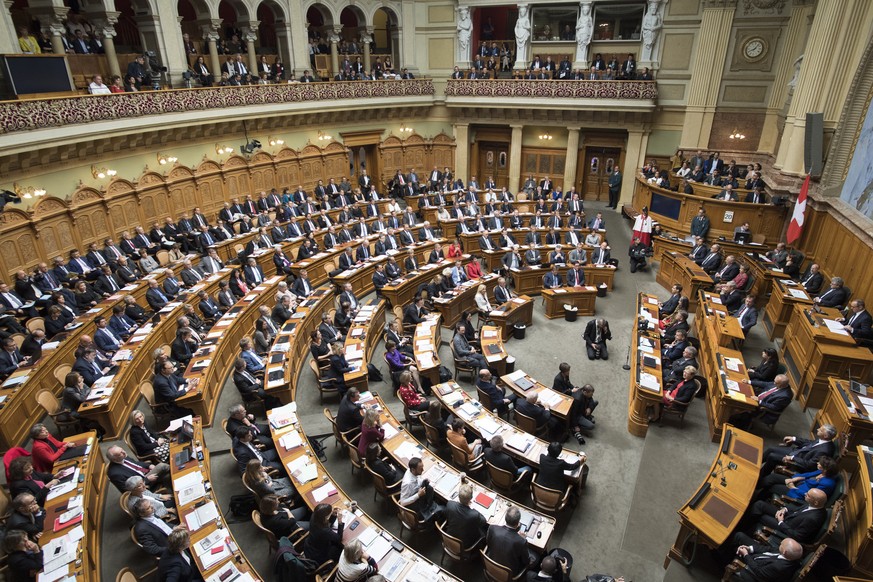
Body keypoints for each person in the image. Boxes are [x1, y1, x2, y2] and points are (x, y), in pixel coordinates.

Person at [758, 424, 838, 477]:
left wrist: (792, 458)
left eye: (820, 430)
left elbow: (809, 465)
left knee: (772, 456)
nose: (817, 429)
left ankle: (760, 476)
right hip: (797, 452)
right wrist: (794, 439)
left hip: (798, 460)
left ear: (826, 435)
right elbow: (809, 443)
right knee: (771, 449)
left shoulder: (825, 451)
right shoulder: (823, 440)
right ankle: (756, 464)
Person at [728, 375, 793, 430]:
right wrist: (749, 382)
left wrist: (759, 401)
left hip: (763, 410)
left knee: (739, 405)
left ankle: (735, 422)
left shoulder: (785, 396)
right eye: (774, 381)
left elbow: (774, 407)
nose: (774, 383)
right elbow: (764, 384)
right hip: (757, 398)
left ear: (782, 385)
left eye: (776, 383)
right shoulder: (777, 383)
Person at [486, 506, 536, 576]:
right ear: (518, 523)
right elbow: (526, 561)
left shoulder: (492, 528)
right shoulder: (521, 541)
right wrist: (523, 539)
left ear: (505, 518)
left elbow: (488, 543)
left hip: (491, 563)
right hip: (509, 573)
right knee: (535, 556)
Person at [730, 538, 803, 581]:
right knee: (739, 536)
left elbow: (758, 571)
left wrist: (746, 555)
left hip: (753, 567)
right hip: (757, 556)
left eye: (781, 544)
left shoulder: (779, 567)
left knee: (734, 554)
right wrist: (749, 549)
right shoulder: (789, 555)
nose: (780, 543)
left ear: (785, 552)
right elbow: (768, 549)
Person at [106, 445, 171, 492]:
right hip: (143, 484)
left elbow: (137, 464)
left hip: (146, 473)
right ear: (114, 459)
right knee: (162, 466)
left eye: (122, 450)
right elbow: (128, 489)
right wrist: (147, 480)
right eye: (120, 453)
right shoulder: (115, 474)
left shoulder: (123, 457)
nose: (124, 452)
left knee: (167, 476)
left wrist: (149, 465)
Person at [443, 483, 488, 549]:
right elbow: (484, 521)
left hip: (449, 536)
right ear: (471, 498)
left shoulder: (450, 504)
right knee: (484, 532)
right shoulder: (474, 514)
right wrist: (474, 509)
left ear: (458, 496)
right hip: (464, 544)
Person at [399, 457, 444, 522]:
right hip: (415, 506)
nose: (423, 470)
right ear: (413, 470)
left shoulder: (411, 471)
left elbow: (417, 479)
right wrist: (418, 495)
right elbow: (402, 502)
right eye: (420, 469)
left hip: (419, 498)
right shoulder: (408, 483)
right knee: (442, 509)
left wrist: (423, 480)